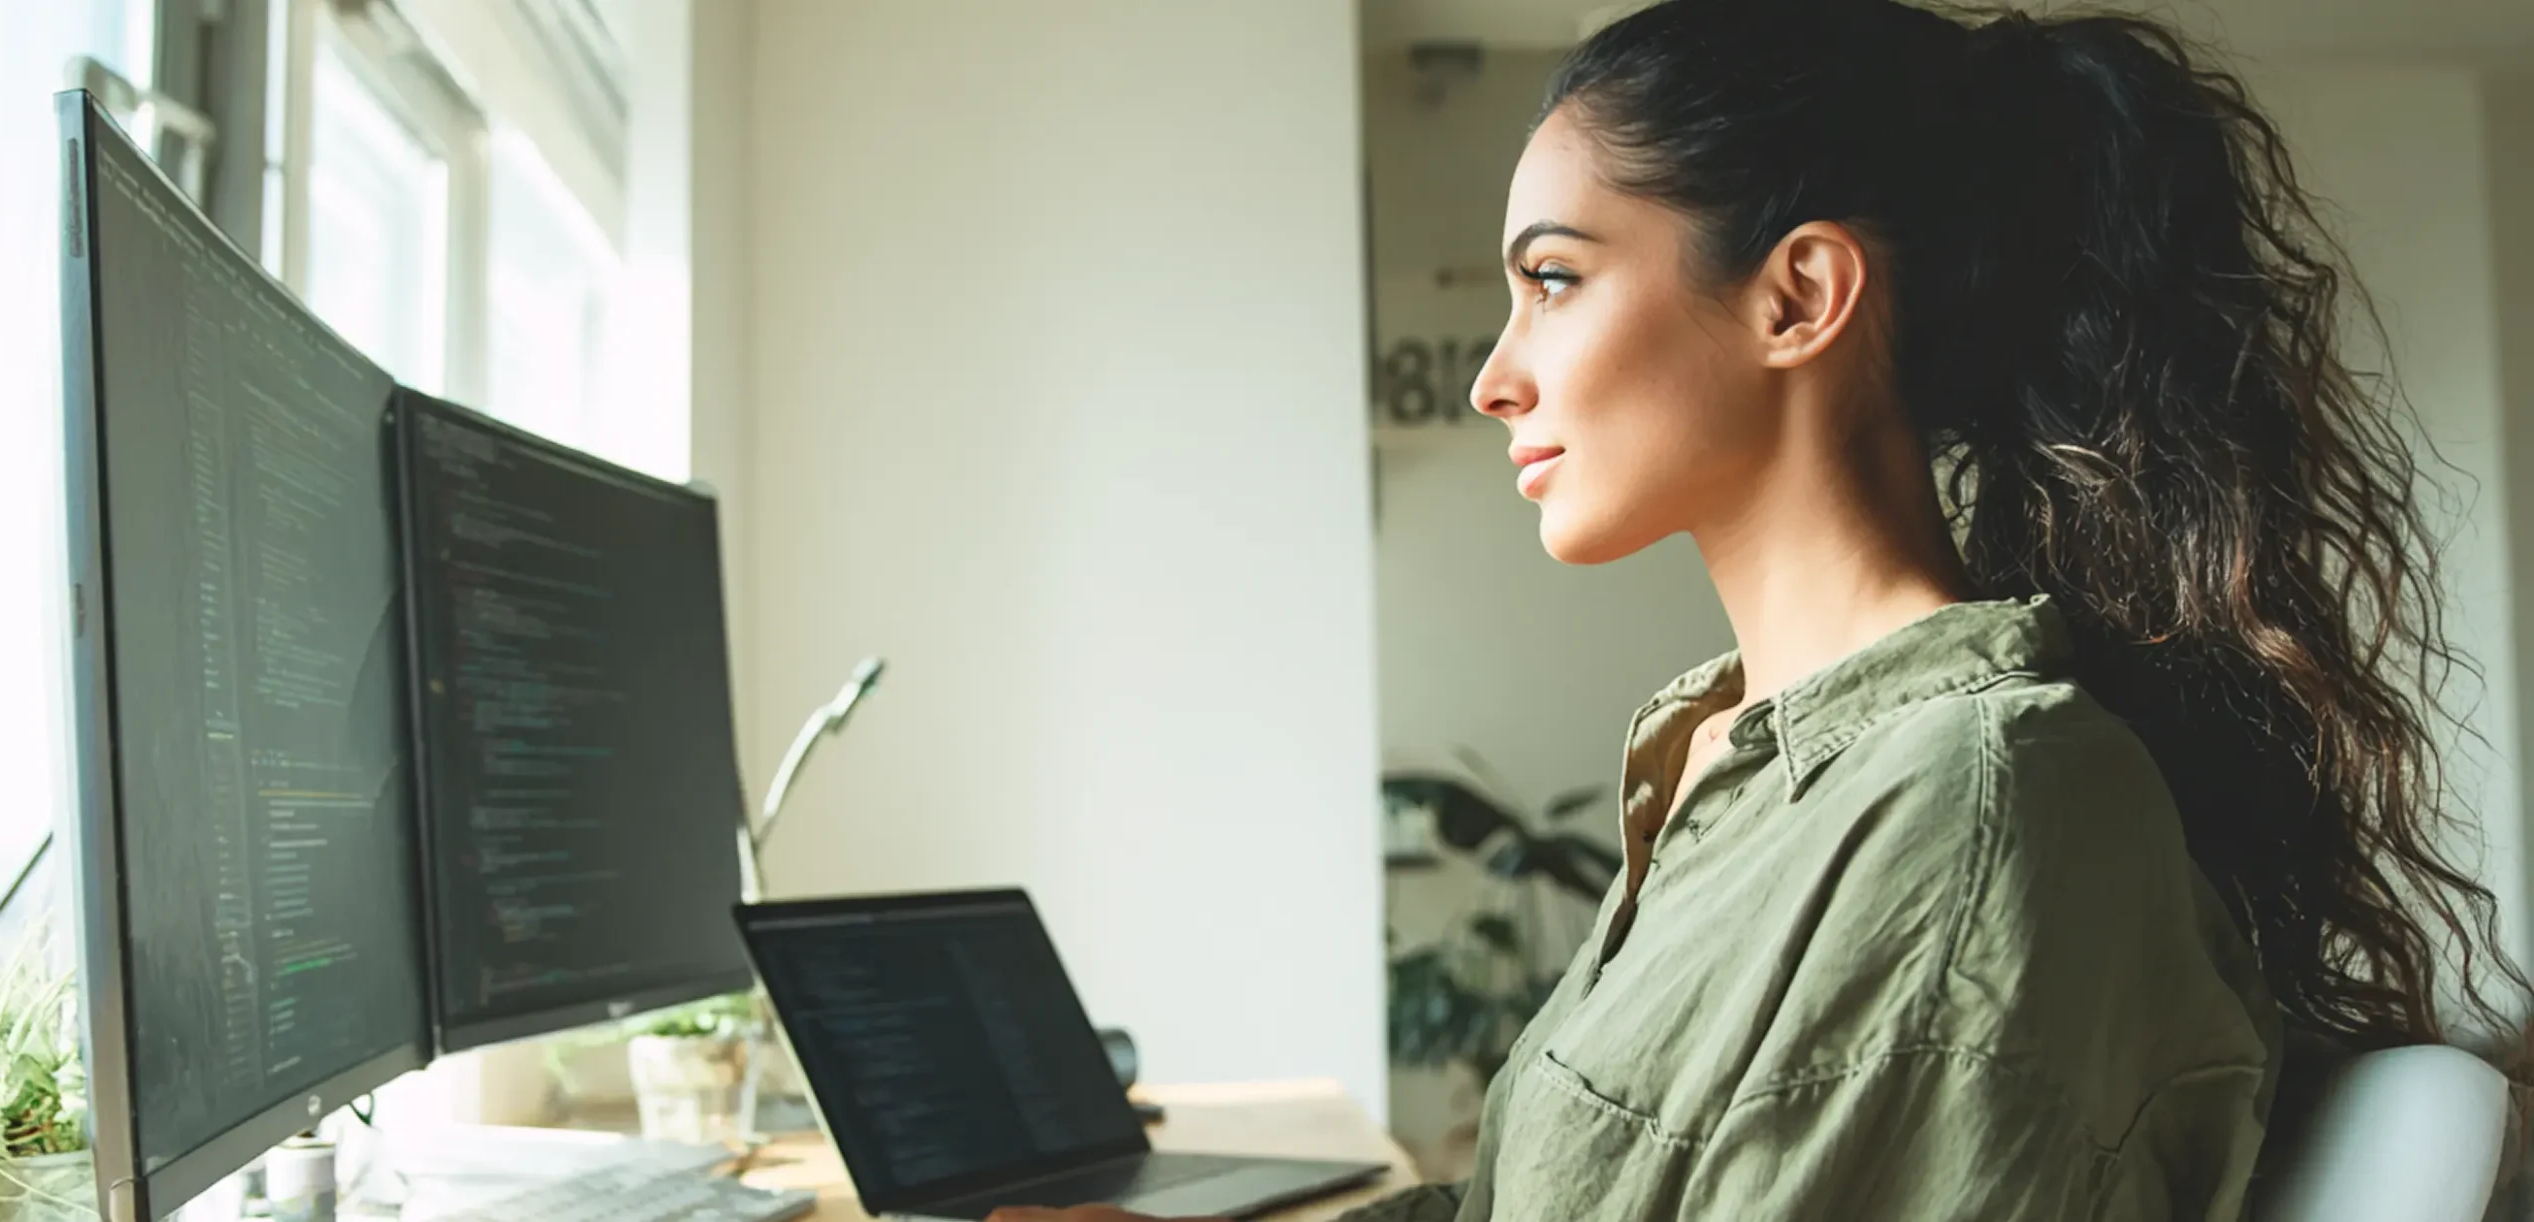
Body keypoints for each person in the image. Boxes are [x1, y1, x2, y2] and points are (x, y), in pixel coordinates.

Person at [993, 0, 2527, 1218]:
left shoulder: (1977, 812)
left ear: (1797, 296)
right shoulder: (1746, 761)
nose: (1493, 373)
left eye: (1555, 280)